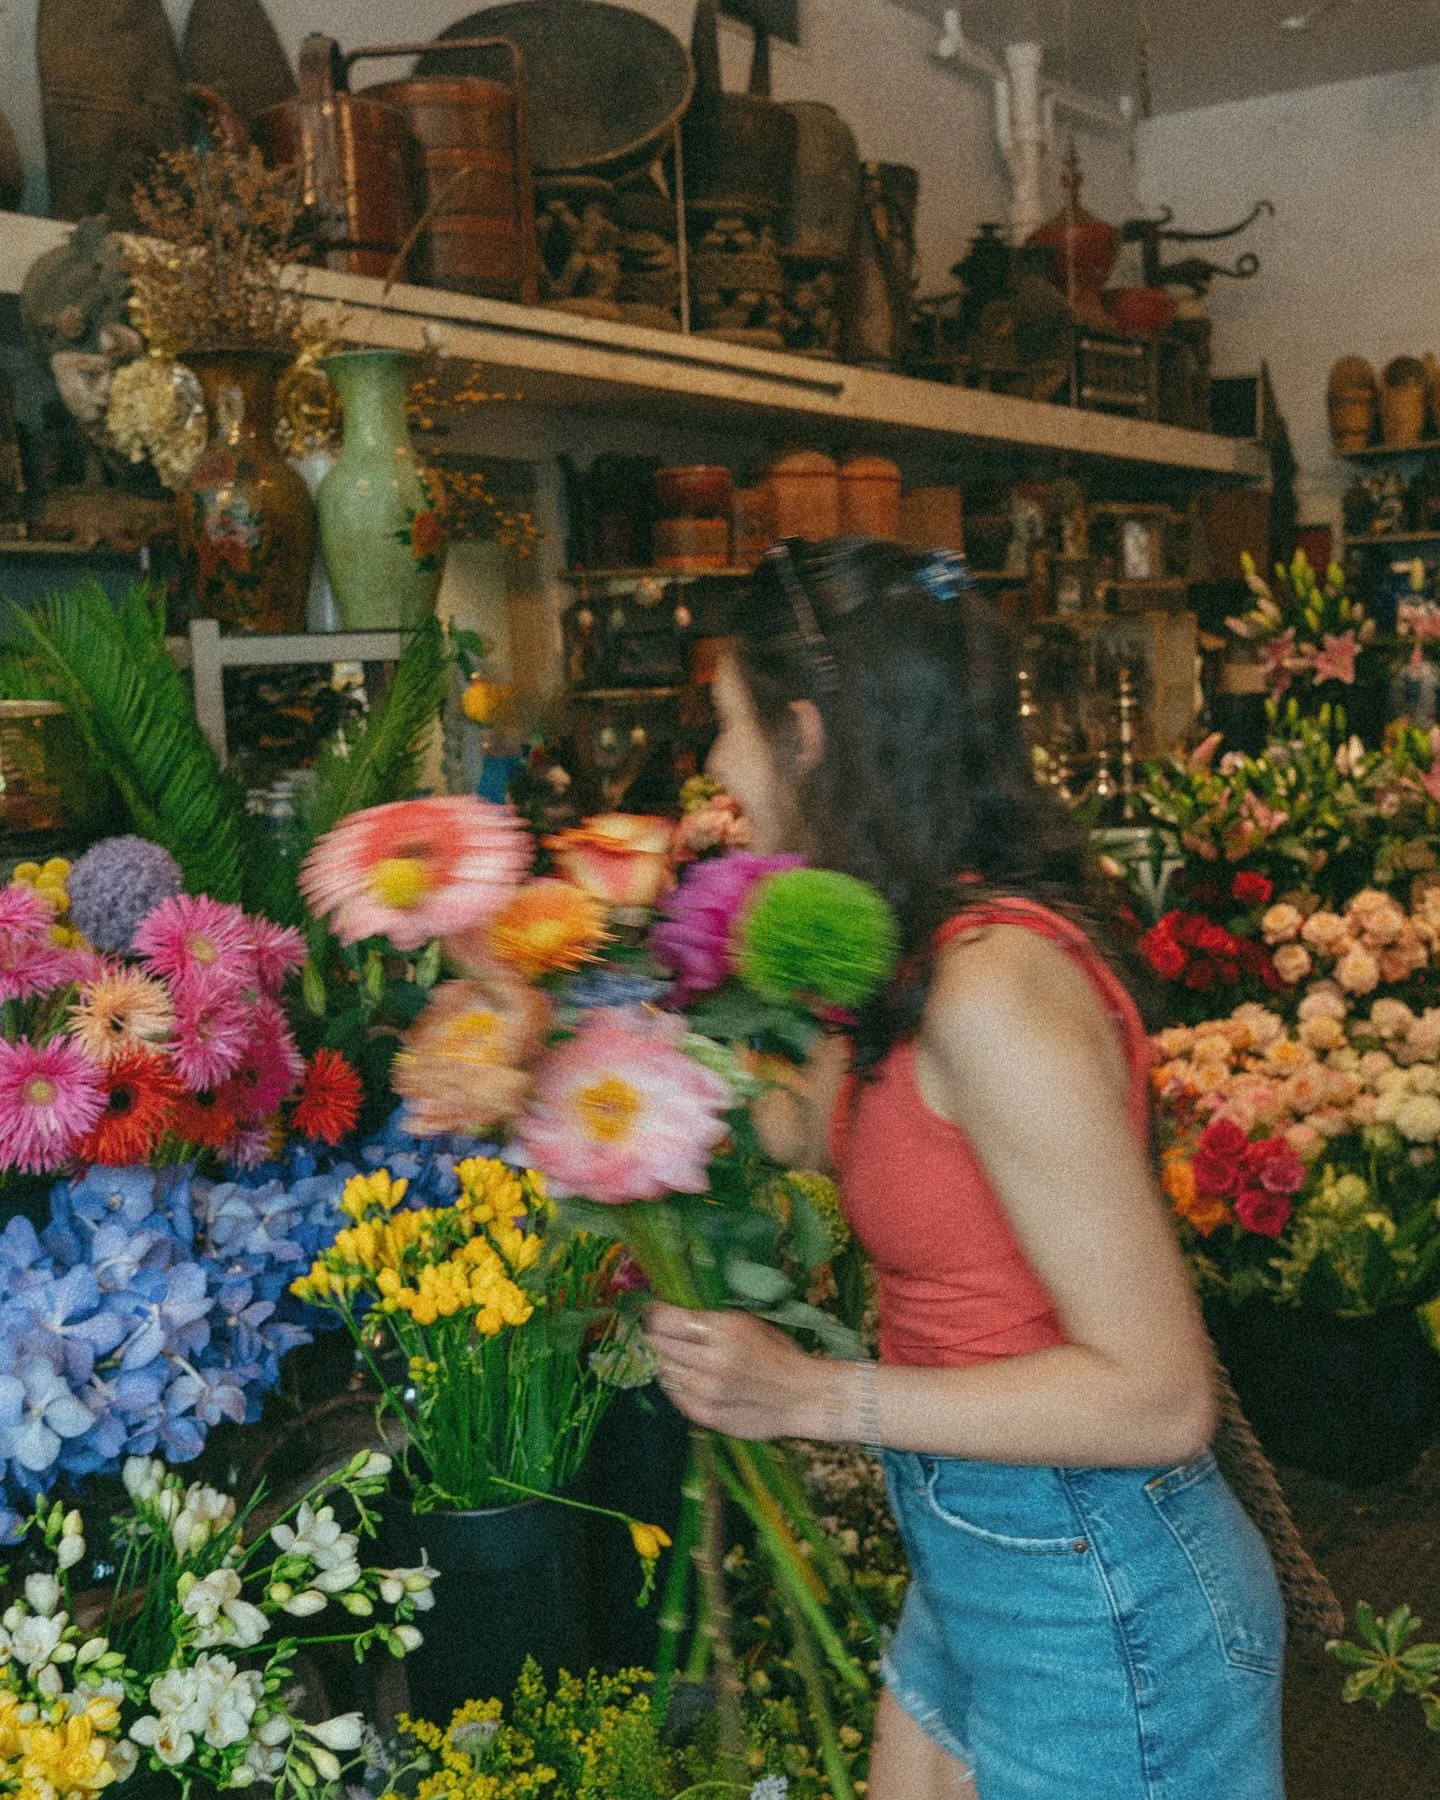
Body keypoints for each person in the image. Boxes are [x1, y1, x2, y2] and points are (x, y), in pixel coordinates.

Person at [645, 537, 1285, 1800]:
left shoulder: (990, 988)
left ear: (811, 733)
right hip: (980, 1552)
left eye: (727, 724)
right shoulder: (913, 949)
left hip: (1098, 1599)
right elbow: (795, 1124)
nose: (716, 766)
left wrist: (810, 1394)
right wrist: (568, 1044)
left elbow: (1158, 1397)